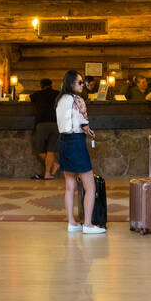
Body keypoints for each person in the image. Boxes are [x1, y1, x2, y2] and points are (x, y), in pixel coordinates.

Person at [55, 69, 105, 234]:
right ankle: (88, 225)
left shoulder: (60, 99)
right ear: (71, 84)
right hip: (76, 142)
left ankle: (71, 223)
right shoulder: (78, 100)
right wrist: (90, 131)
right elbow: (84, 124)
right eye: (80, 82)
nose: (83, 85)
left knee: (70, 186)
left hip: (63, 142)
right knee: (90, 187)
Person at [30, 78, 59, 179]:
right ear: (51, 85)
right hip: (56, 124)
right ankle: (48, 174)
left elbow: (27, 99)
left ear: (41, 85)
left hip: (42, 124)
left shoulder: (37, 94)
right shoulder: (58, 94)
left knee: (39, 151)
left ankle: (54, 165)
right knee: (51, 150)